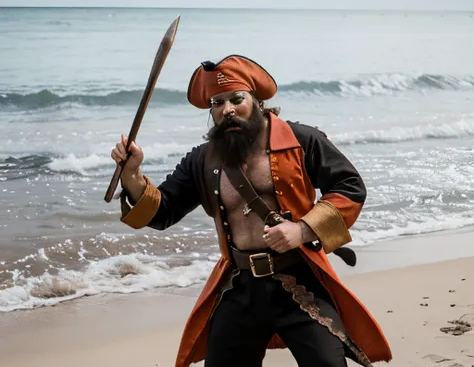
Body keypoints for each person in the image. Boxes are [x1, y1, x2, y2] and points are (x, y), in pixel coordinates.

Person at [111, 55, 392, 367]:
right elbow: (163, 211)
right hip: (239, 286)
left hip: (300, 279)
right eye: (217, 103)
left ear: (257, 101)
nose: (227, 109)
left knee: (328, 364)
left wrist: (301, 230)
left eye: (236, 99)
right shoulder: (202, 160)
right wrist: (133, 176)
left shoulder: (302, 140)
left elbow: (350, 187)